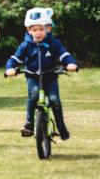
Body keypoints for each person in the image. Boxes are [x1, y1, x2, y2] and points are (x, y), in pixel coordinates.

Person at [5, 8, 77, 140]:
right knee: (33, 96)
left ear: (48, 29)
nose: (38, 33)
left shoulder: (53, 43)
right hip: (32, 76)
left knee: (54, 99)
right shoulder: (26, 45)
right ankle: (29, 124)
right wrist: (10, 68)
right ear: (29, 30)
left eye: (41, 29)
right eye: (34, 29)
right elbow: (15, 58)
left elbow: (64, 54)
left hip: (50, 77)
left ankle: (61, 126)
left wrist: (70, 63)